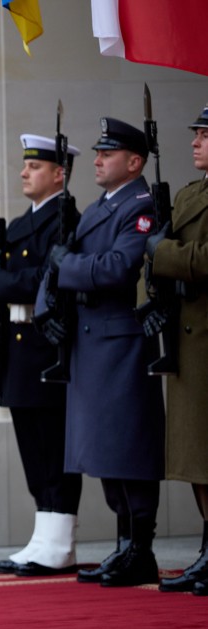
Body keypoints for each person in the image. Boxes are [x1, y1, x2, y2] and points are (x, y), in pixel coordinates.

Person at [35, 117, 164, 588]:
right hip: (92, 344)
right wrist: (50, 301)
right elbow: (68, 263)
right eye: (97, 153)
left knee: (129, 448)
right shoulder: (97, 208)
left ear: (134, 162)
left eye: (108, 154)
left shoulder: (141, 207)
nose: (97, 160)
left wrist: (67, 264)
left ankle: (140, 549)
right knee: (107, 452)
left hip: (120, 342)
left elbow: (119, 267)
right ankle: (123, 545)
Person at [0, 135, 84, 577]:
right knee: (33, 452)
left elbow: (46, 280)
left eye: (35, 167)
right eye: (24, 165)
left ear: (59, 174)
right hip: (19, 352)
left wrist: (0, 283)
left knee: (54, 450)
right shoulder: (20, 224)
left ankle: (61, 542)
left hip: (47, 348)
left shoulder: (67, 222)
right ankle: (44, 537)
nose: (23, 173)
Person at [145, 104, 208, 595]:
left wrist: (162, 252)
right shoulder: (190, 194)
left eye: (204, 135)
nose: (195, 142)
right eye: (195, 134)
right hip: (188, 343)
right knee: (193, 458)